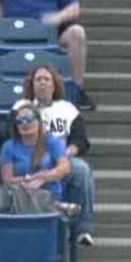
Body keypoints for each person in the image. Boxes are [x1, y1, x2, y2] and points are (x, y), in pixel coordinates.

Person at [19, 66, 96, 243]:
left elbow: (80, 141)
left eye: (47, 79)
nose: (43, 83)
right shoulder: (22, 108)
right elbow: (12, 137)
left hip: (63, 160)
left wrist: (64, 155)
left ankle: (81, 230)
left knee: (82, 170)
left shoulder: (68, 109)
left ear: (54, 85)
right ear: (32, 85)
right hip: (31, 160)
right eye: (38, 80)